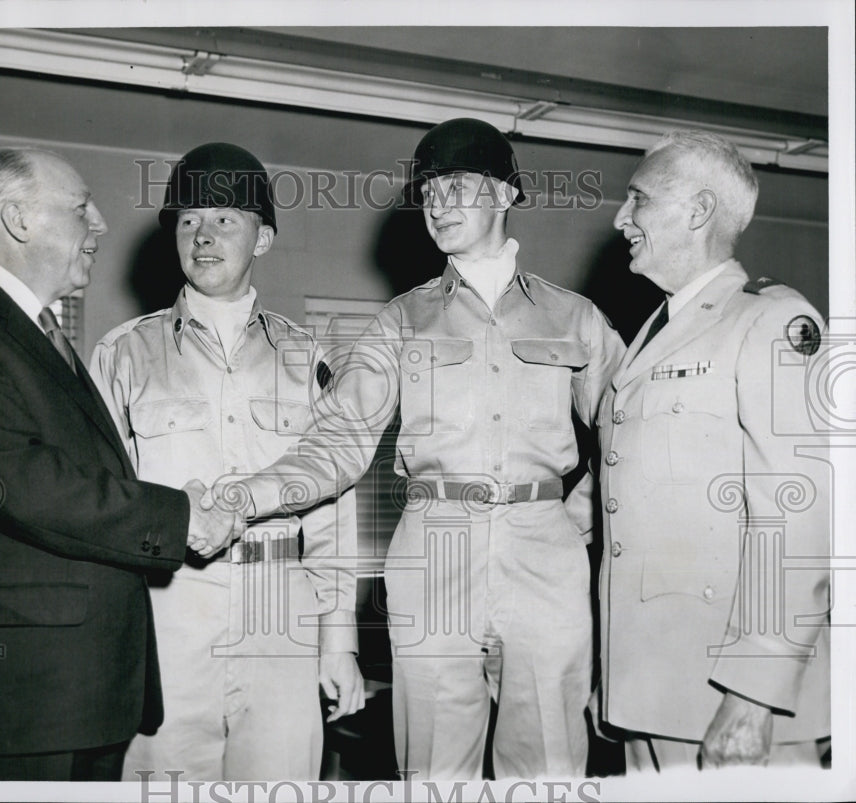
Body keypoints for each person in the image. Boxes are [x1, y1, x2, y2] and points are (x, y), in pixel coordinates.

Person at [208, 119, 626, 778]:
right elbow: (339, 435)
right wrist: (251, 494)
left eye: (456, 185)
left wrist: (578, 518)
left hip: (546, 559)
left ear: (507, 193)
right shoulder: (402, 318)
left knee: (549, 765)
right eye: (427, 191)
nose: (437, 204)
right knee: (433, 771)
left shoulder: (573, 317)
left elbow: (629, 433)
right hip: (434, 551)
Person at [0, 148, 240, 781]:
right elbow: (16, 479)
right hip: (4, 700)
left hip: (73, 692)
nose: (99, 224)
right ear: (18, 220)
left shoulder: (34, 332)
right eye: (80, 208)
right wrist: (182, 518)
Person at [90, 142, 364, 781]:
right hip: (167, 609)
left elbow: (332, 512)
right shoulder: (123, 354)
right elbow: (99, 502)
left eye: (224, 219)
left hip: (281, 612)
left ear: (263, 238)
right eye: (187, 221)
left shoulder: (307, 359)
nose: (203, 236)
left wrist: (338, 642)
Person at [595, 129, 830, 770]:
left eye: (638, 199)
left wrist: (754, 694)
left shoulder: (772, 322)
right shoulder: (655, 331)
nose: (621, 219)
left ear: (698, 211)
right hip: (650, 691)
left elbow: (803, 517)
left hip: (729, 698)